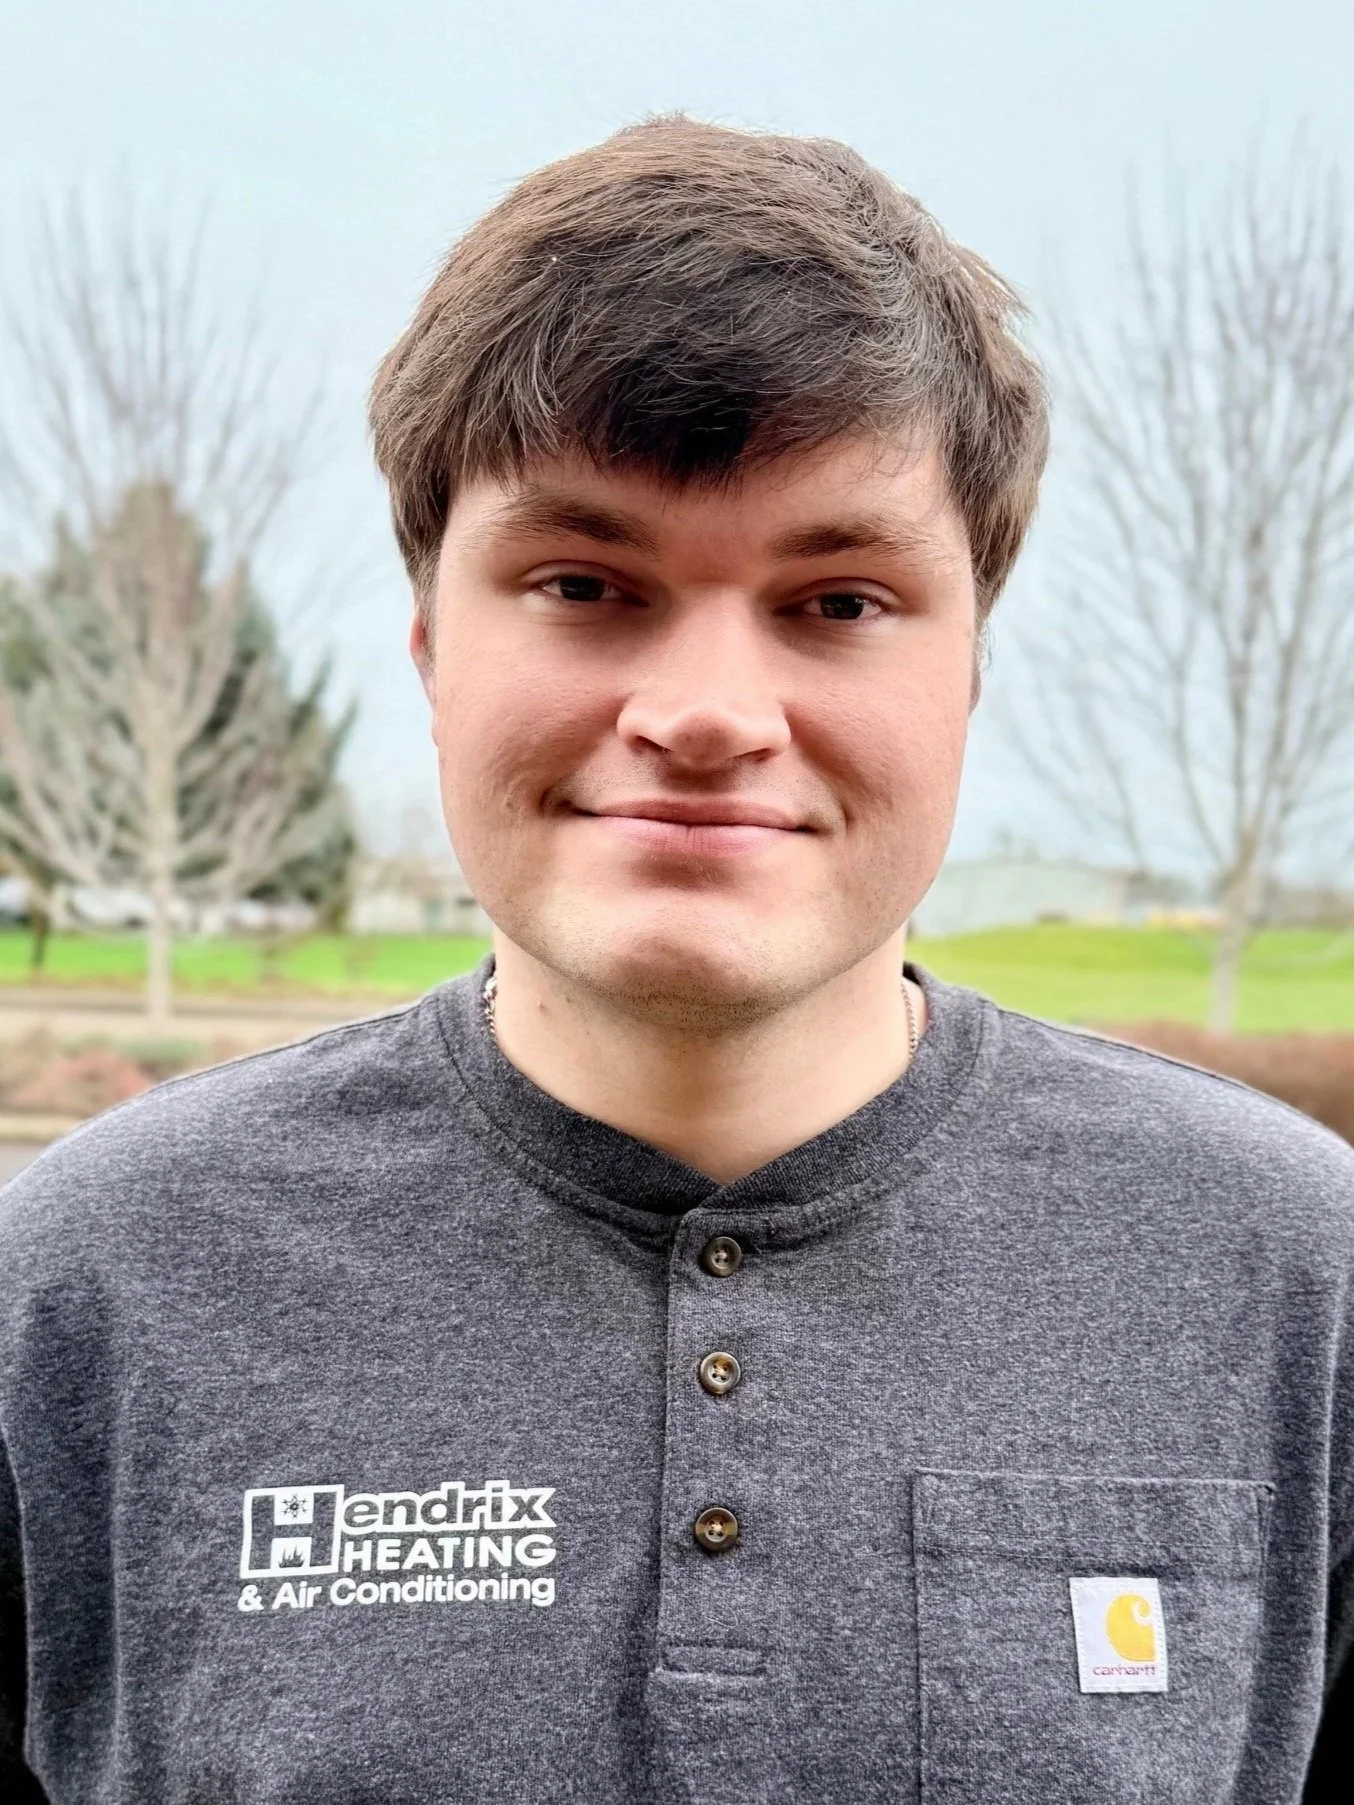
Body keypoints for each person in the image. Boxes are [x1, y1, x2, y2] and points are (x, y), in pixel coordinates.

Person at [0, 115, 1349, 1805]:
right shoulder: (82, 1290)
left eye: (837, 601)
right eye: (584, 582)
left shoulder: (1299, 1285)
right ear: (429, 648)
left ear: (968, 669)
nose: (706, 714)